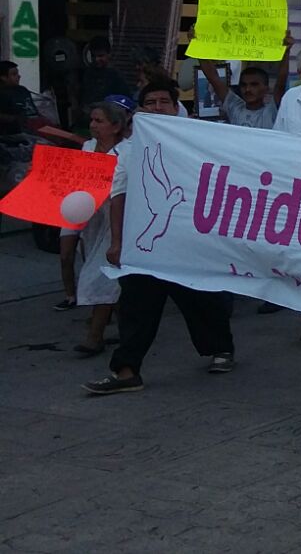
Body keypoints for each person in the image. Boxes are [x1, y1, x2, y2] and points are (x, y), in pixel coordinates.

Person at [83, 80, 237, 394]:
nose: (156, 108)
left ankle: (221, 349)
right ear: (139, 111)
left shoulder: (195, 141)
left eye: (163, 102)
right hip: (144, 244)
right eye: (149, 102)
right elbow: (119, 195)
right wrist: (117, 242)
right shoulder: (130, 149)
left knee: (199, 299)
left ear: (175, 106)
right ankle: (126, 370)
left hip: (186, 241)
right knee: (137, 305)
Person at [60, 101, 127, 352]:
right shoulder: (88, 148)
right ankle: (125, 331)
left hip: (116, 222)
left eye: (99, 121)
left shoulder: (127, 153)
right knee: (109, 276)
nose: (93, 126)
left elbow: (121, 194)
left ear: (116, 126)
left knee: (104, 276)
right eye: (92, 120)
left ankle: (95, 337)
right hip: (91, 221)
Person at [198, 55, 288, 130]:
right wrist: (197, 46)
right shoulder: (235, 107)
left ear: (266, 89)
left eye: (254, 85)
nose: (248, 89)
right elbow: (213, 78)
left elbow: (281, 85)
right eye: (244, 85)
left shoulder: (271, 111)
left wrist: (286, 51)